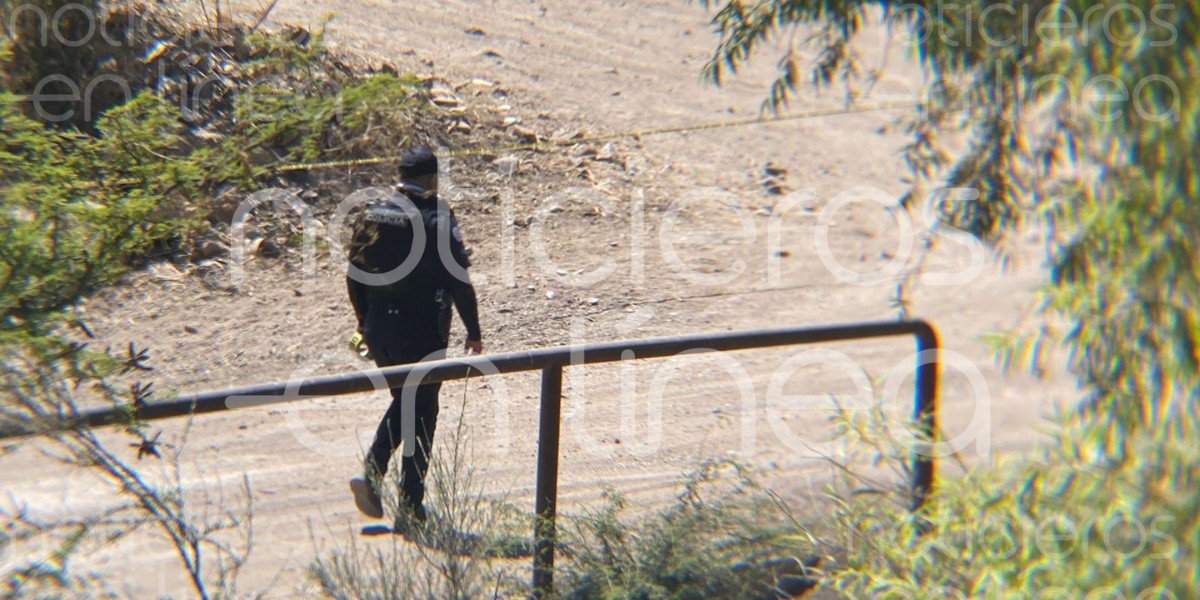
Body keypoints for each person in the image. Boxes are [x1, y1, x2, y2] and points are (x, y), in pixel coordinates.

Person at [347, 146, 483, 526]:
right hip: (421, 332)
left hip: (379, 329)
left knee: (410, 404)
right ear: (431, 179)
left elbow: (353, 275)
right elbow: (458, 279)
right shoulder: (436, 215)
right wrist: (473, 331)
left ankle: (396, 494)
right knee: (421, 411)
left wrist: (364, 324)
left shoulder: (372, 212)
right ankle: (394, 491)